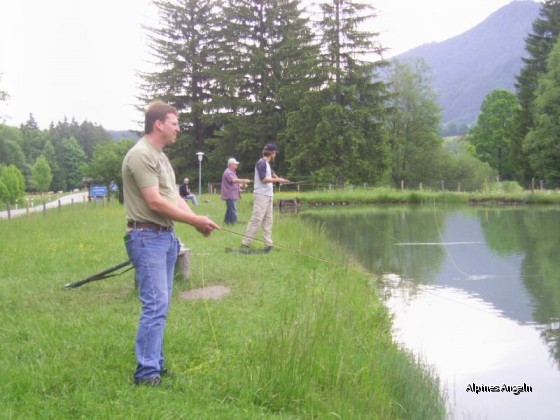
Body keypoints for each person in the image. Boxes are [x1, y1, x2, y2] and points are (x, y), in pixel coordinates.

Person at [122, 100, 219, 387]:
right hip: (146, 237)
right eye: (175, 123)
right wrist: (194, 221)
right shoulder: (140, 155)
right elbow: (153, 201)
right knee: (155, 304)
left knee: (161, 304)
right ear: (159, 124)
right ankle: (146, 373)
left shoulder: (161, 156)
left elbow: (173, 197)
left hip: (164, 237)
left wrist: (196, 219)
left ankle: (155, 364)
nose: (179, 129)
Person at [241, 144, 289, 250]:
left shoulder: (266, 164)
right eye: (275, 153)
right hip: (261, 195)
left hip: (269, 195)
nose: (275, 154)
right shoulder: (261, 163)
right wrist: (278, 180)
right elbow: (264, 179)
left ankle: (268, 244)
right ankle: (245, 243)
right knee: (257, 218)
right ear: (271, 153)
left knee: (268, 220)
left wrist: (281, 180)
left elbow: (271, 174)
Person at [221, 157, 251, 225]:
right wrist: (244, 180)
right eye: (235, 164)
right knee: (233, 209)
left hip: (231, 194)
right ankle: (234, 223)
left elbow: (233, 182)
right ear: (230, 164)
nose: (236, 165)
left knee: (229, 209)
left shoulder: (231, 172)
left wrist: (241, 185)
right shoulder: (228, 172)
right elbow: (234, 180)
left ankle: (227, 223)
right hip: (230, 194)